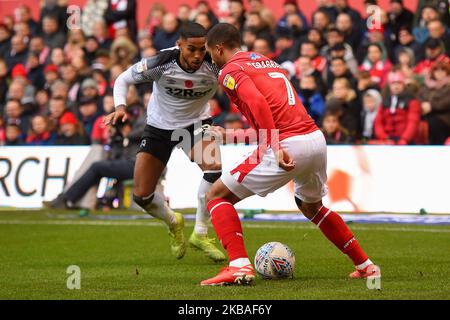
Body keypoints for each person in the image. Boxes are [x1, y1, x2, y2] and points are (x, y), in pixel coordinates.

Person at [202, 23, 379, 286]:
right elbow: (275, 115)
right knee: (311, 206)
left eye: (210, 53)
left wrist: (274, 146)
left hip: (286, 143)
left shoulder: (230, 70)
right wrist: (231, 136)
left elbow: (259, 104)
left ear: (218, 49)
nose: (211, 59)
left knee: (216, 196)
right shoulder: (264, 61)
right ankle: (366, 266)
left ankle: (238, 266)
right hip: (314, 139)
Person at [104, 22, 225, 262]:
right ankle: (173, 221)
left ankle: (200, 232)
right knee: (141, 195)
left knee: (214, 169)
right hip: (159, 127)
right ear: (179, 45)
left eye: (202, 49)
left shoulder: (216, 66)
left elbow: (239, 90)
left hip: (196, 124)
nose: (198, 55)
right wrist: (120, 107)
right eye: (192, 49)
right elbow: (122, 80)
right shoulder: (161, 63)